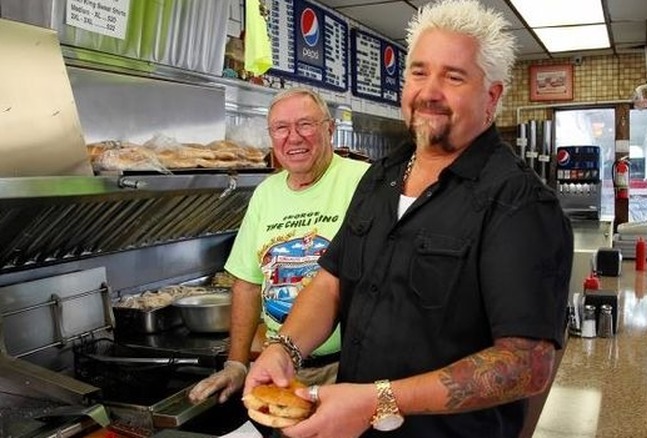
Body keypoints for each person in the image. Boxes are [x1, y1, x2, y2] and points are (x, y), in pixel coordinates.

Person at [245, 1, 573, 437]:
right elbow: (331, 282)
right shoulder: (380, 178)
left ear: (491, 96)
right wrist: (284, 349)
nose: (429, 91)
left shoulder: (520, 203)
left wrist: (377, 400)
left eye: (454, 76)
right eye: (419, 72)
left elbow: (526, 364)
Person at [188, 87, 369, 405]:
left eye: (305, 124)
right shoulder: (265, 193)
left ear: (329, 128)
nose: (293, 137)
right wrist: (237, 363)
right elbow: (246, 284)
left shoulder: (365, 181)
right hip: (280, 371)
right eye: (281, 128)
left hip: (351, 369)